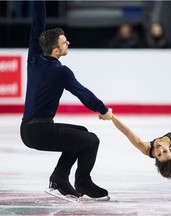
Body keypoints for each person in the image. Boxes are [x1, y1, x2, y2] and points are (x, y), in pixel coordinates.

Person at [20, 0, 112, 199]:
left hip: (28, 129)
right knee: (91, 141)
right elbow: (83, 93)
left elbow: (38, 22)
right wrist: (103, 110)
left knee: (81, 134)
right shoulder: (61, 71)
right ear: (55, 51)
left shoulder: (34, 58)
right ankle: (83, 182)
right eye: (64, 42)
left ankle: (59, 178)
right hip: (40, 131)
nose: (68, 42)